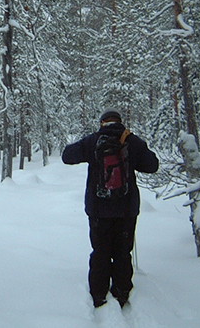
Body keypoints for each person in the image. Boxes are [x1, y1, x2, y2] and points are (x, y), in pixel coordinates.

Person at [62, 109, 159, 309]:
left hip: (98, 209)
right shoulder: (131, 141)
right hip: (126, 210)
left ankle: (98, 293)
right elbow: (152, 165)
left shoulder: (93, 140)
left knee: (100, 251)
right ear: (120, 122)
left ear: (102, 123)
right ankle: (122, 292)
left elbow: (67, 156)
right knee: (123, 252)